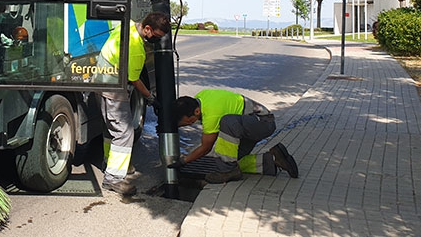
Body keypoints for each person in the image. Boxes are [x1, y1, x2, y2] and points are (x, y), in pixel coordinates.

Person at [97, 12, 171, 196]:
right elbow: (135, 80)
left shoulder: (128, 24)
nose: (155, 40)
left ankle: (110, 161)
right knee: (125, 133)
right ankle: (113, 179)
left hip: (99, 79)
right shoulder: (137, 49)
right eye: (155, 36)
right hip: (114, 85)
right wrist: (151, 98)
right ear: (147, 29)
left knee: (110, 128)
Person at [169, 88, 299, 184]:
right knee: (230, 160)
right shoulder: (200, 99)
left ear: (196, 111)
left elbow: (205, 148)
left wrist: (183, 161)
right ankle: (274, 159)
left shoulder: (211, 113)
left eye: (188, 121)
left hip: (263, 122)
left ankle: (227, 172)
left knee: (227, 122)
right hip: (247, 126)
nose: (189, 124)